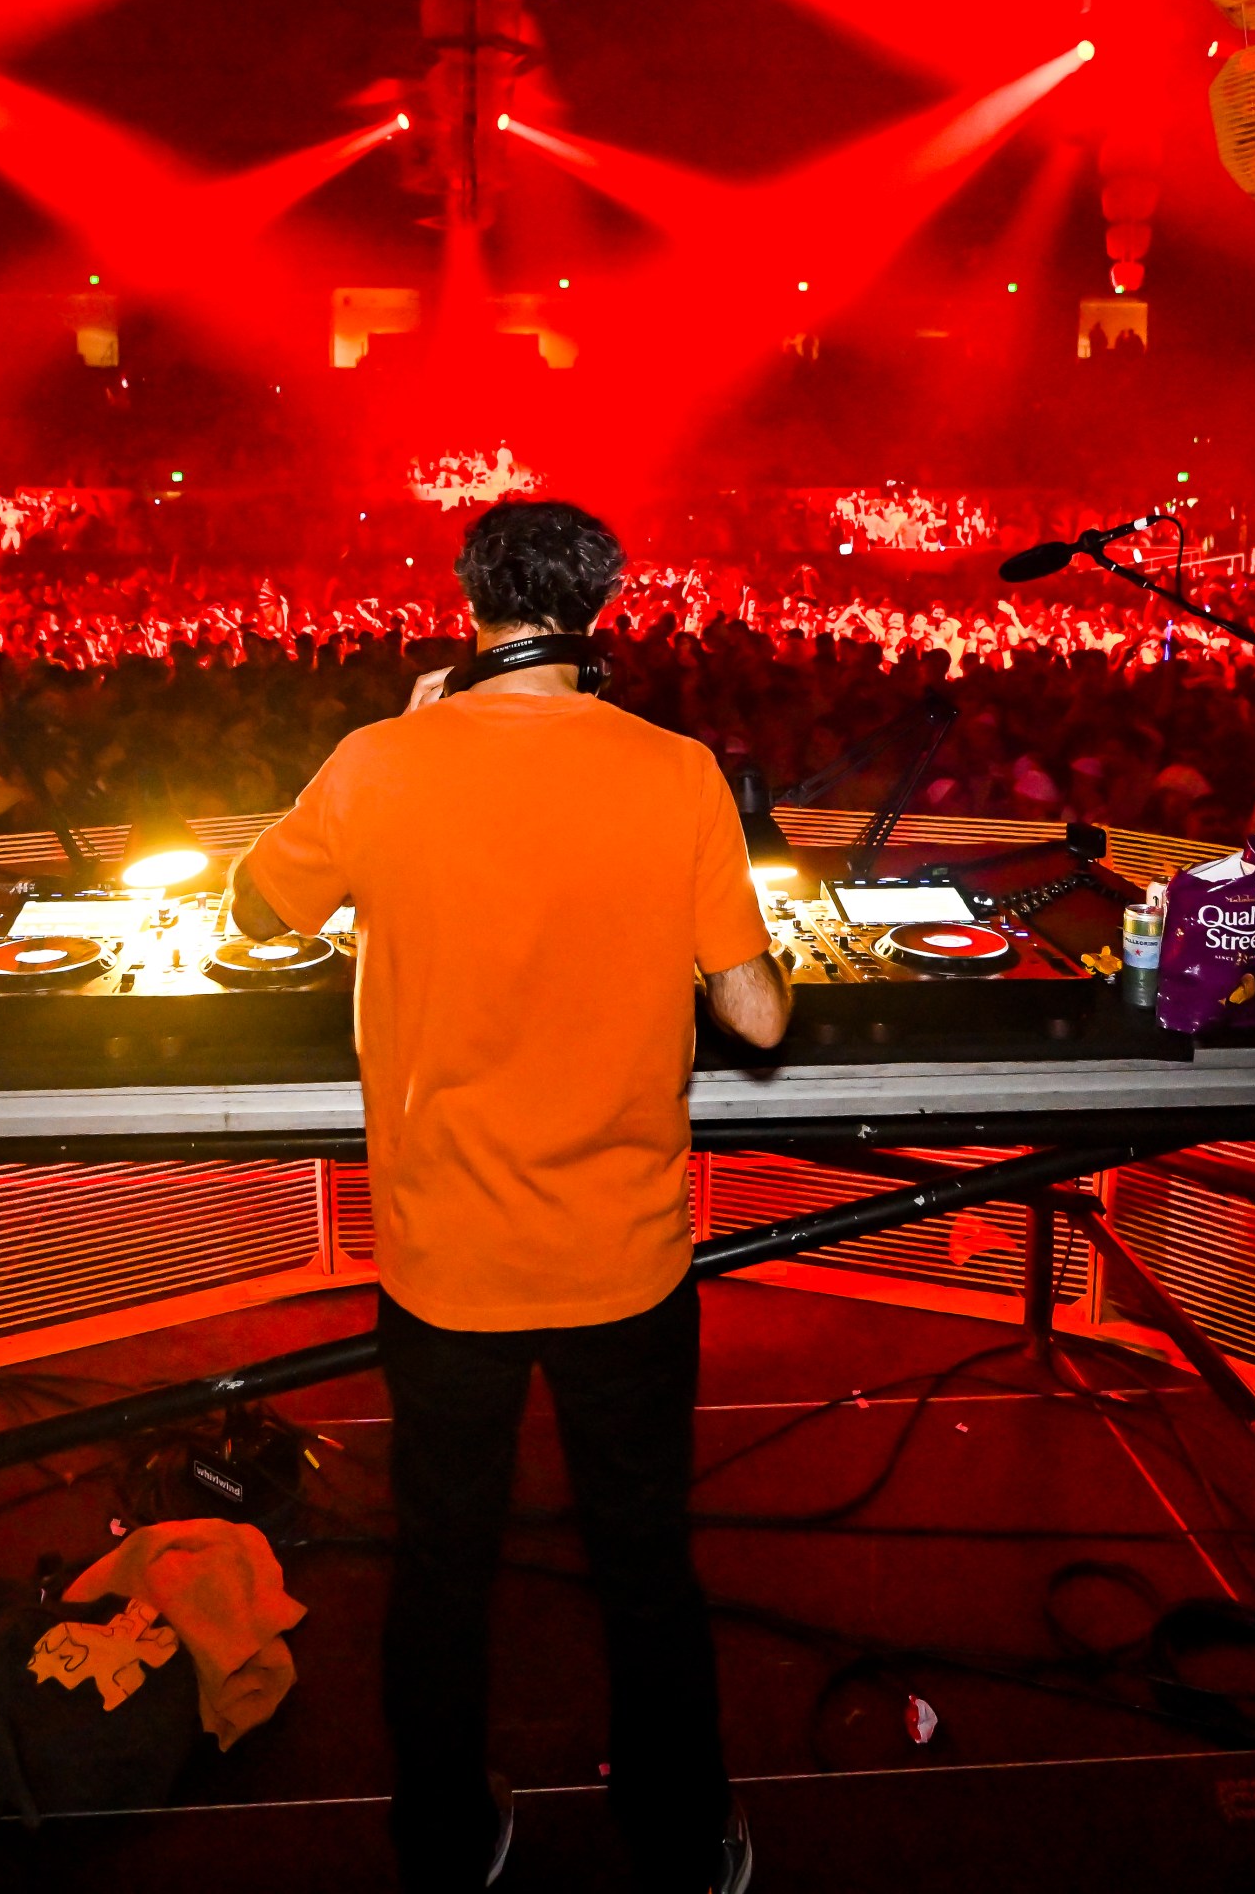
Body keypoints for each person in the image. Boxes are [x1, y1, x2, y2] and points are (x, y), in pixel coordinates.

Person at [232, 501, 784, 1894]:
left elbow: (255, 912)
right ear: (600, 613)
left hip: (444, 1259)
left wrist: (405, 737)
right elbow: (760, 1021)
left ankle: (440, 1834)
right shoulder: (676, 770)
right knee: (645, 1559)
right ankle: (679, 1829)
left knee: (440, 1562)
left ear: (469, 601)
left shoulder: (381, 762)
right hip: (628, 1258)